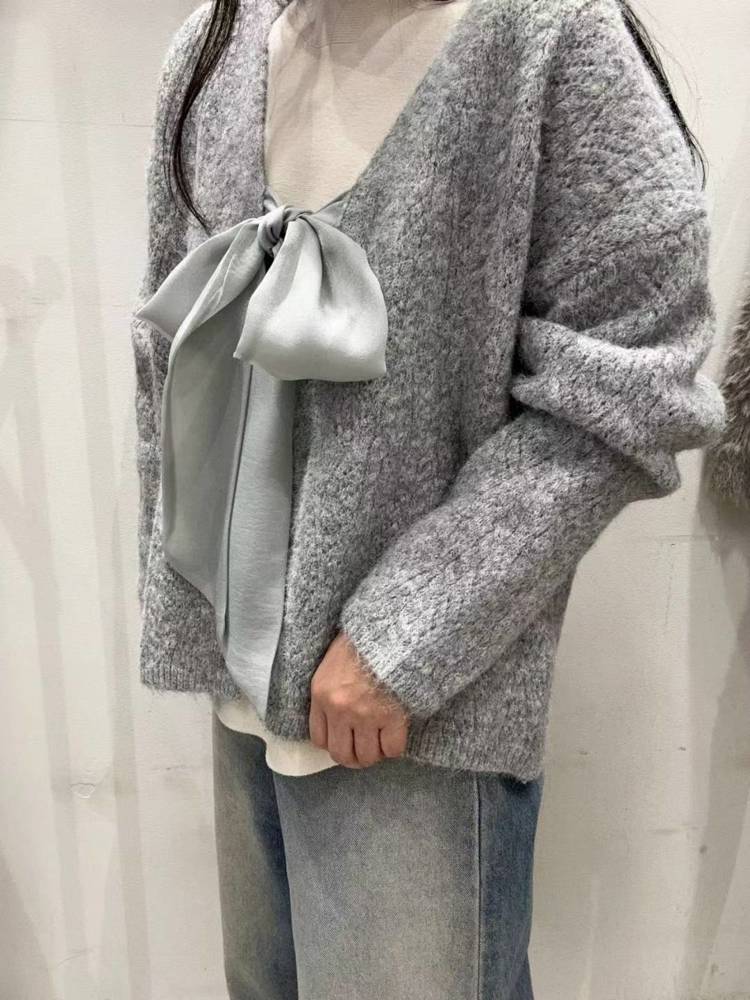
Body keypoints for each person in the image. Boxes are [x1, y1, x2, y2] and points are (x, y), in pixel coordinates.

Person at [129, 0, 727, 996]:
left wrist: (406, 636)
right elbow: (168, 354)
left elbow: (632, 380)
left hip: (414, 725)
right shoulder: (215, 49)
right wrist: (192, 612)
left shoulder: (551, 38)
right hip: (240, 700)